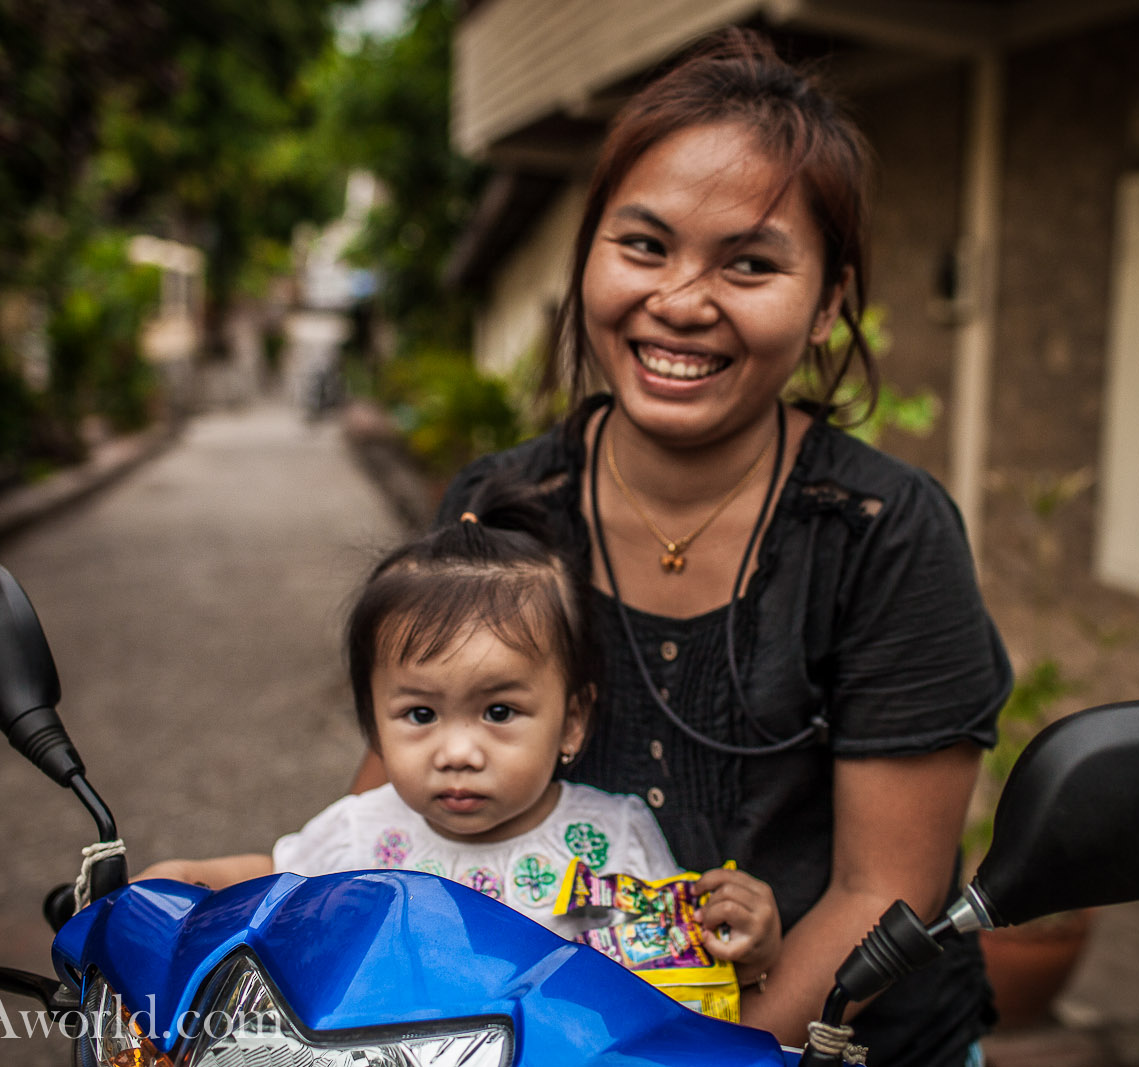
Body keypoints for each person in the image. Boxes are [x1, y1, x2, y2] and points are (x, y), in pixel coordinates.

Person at [353, 27, 1012, 1067]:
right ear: (589, 254)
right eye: (645, 246)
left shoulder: (881, 535)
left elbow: (880, 888)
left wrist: (696, 1057)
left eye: (749, 263)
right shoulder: (504, 510)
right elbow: (391, 809)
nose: (680, 301)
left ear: (830, 301)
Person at [136, 481, 782, 979]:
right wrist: (187, 878)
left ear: (572, 720)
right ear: (374, 724)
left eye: (499, 712)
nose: (458, 752)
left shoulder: (614, 838)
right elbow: (277, 880)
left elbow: (683, 965)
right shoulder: (363, 831)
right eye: (420, 715)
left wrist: (745, 943)